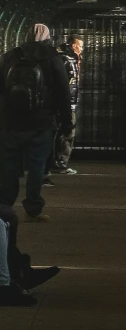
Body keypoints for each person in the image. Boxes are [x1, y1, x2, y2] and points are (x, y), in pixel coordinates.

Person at [0, 23, 73, 219]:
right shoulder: (52, 58)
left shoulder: (11, 56)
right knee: (36, 167)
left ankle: (4, 208)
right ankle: (33, 209)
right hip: (41, 123)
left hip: (10, 121)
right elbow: (63, 93)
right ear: (48, 37)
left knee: (8, 166)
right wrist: (66, 122)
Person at [50, 33, 82, 178]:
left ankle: (58, 162)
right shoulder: (67, 59)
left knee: (64, 132)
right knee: (67, 132)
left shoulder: (66, 58)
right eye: (80, 46)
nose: (81, 49)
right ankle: (60, 163)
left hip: (67, 101)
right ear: (74, 45)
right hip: (67, 102)